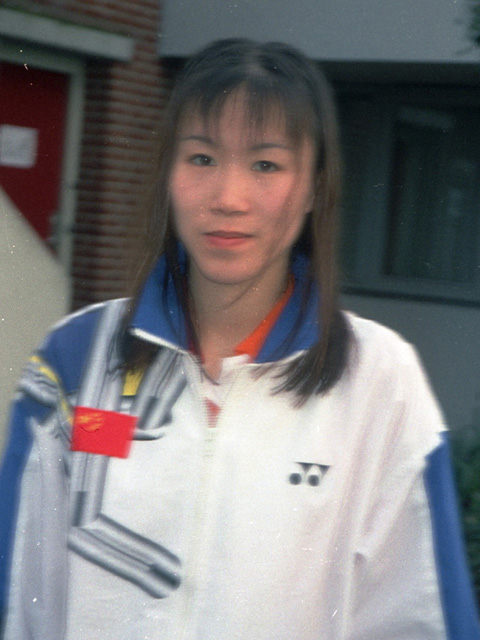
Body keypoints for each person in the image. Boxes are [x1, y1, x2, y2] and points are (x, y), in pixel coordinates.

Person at [0, 38, 478, 640]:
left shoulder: (382, 381)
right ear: (168, 175)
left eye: (266, 165)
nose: (228, 198)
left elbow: (423, 617)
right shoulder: (73, 361)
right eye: (201, 158)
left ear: (314, 187)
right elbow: (17, 596)